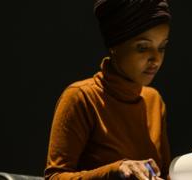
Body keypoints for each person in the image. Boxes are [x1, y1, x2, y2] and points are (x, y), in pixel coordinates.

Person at [45, 0, 171, 179]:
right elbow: (54, 177)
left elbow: (164, 174)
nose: (156, 59)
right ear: (114, 46)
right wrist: (116, 170)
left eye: (162, 48)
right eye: (142, 47)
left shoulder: (154, 100)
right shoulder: (82, 97)